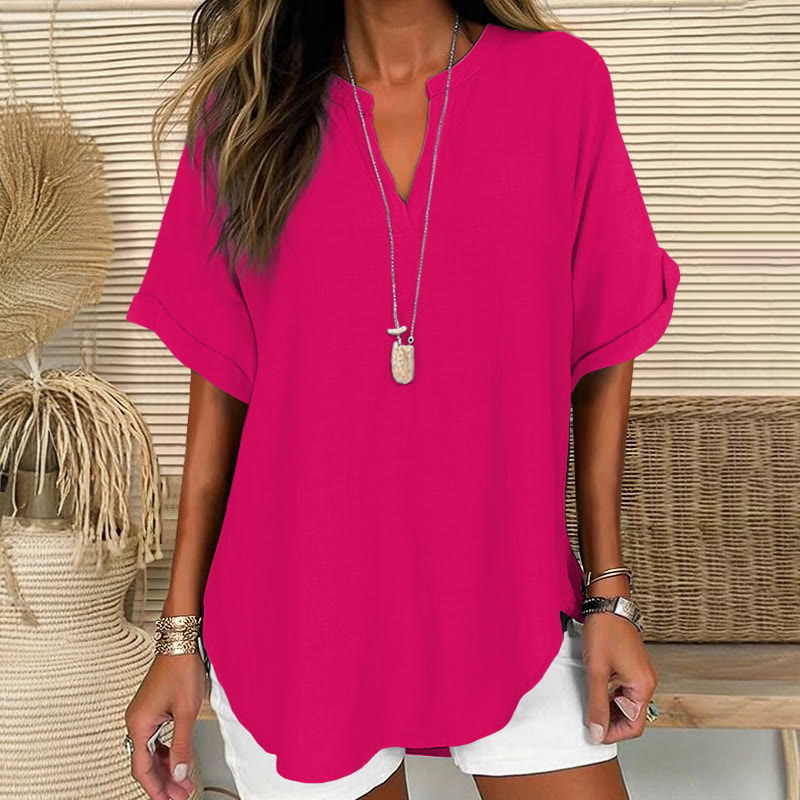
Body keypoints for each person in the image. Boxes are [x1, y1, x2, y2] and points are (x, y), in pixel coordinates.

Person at [123, 1, 680, 798]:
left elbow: (605, 341)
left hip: (508, 598)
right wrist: (178, 638)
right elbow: (221, 393)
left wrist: (608, 596)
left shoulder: (561, 85)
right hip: (300, 614)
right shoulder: (245, 113)